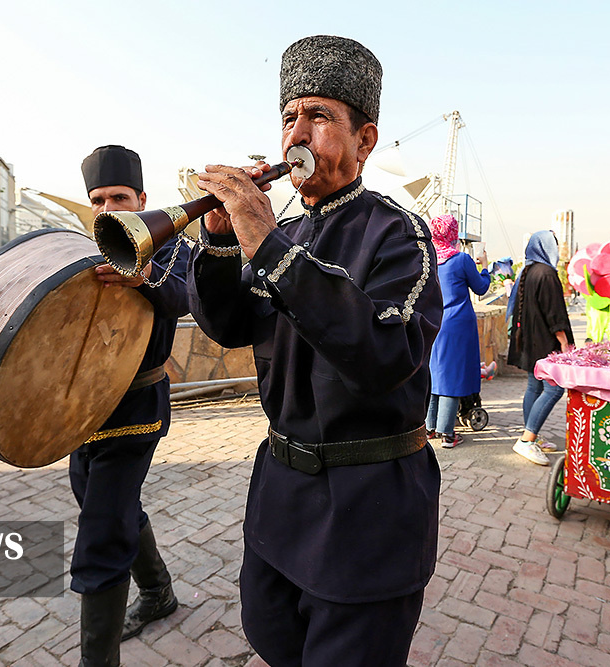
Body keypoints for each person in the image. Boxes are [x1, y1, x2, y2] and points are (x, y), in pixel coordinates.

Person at [186, 35, 442, 666]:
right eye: (288, 119)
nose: (296, 135)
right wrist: (221, 243)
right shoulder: (288, 232)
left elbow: (382, 355)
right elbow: (228, 324)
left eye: (320, 117)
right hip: (281, 494)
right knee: (273, 637)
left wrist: (264, 240)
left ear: (365, 140)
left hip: (367, 506)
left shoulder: (397, 233)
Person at [72, 145, 189, 666]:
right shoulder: (82, 248)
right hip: (81, 411)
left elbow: (187, 297)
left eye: (118, 197)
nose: (107, 208)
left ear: (142, 199)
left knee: (102, 530)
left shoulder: (167, 246)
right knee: (103, 504)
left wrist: (142, 277)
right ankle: (159, 593)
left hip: (137, 409)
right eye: (97, 199)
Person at [506, 230, 574, 465]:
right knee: (554, 390)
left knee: (534, 388)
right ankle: (526, 440)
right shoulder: (547, 274)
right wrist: (564, 343)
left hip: (529, 343)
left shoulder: (529, 271)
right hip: (545, 344)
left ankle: (532, 435)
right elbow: (554, 312)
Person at [426, 213, 491, 448]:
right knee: (452, 376)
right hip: (457, 324)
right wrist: (484, 266)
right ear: (453, 232)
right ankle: (448, 434)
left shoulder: (429, 259)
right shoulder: (461, 260)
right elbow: (481, 287)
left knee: (435, 374)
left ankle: (430, 428)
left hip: (434, 322)